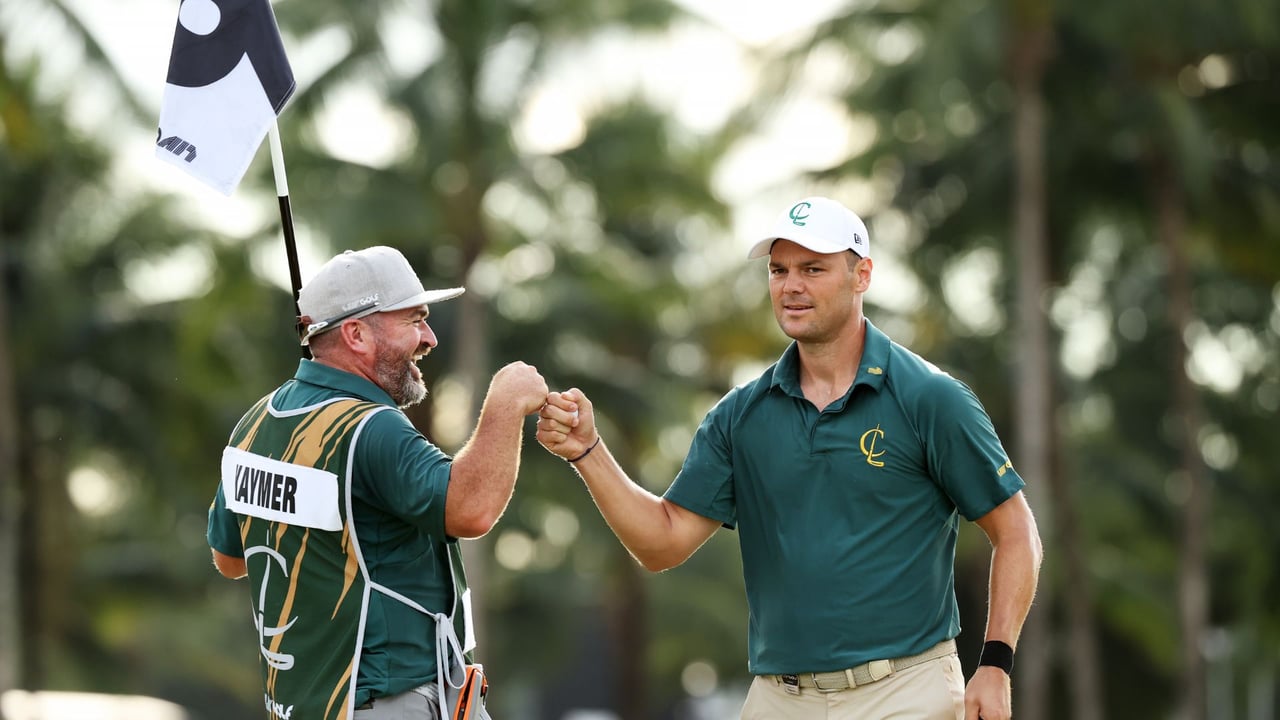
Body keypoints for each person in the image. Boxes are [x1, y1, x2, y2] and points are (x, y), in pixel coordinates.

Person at [536, 197, 1043, 720]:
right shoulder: (739, 416)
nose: (790, 286)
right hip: (780, 697)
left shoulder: (930, 398)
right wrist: (588, 452)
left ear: (862, 275)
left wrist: (995, 663)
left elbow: (1016, 532)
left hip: (905, 691)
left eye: (813, 269)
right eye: (779, 270)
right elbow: (662, 543)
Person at [207, 245, 548, 720]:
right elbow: (470, 509)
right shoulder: (370, 427)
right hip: (387, 701)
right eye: (414, 320)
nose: (429, 338)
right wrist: (506, 402)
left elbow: (230, 559)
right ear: (355, 334)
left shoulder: (255, 423)